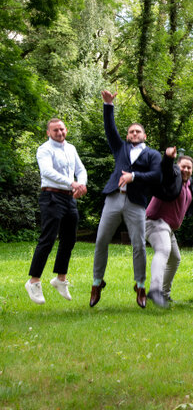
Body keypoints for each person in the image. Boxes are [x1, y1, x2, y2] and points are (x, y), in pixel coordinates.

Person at [90, 90, 161, 309]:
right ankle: (97, 283)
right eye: (131, 131)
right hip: (114, 198)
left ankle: (140, 286)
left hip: (136, 203)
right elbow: (110, 129)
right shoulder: (120, 147)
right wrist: (108, 106)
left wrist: (134, 176)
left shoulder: (153, 155)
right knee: (101, 240)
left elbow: (156, 176)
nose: (134, 133)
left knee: (139, 245)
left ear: (144, 136)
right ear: (128, 136)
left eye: (138, 131)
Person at [25, 119, 88, 304]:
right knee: (48, 238)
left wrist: (81, 184)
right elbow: (47, 172)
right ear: (48, 132)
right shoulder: (44, 149)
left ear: (66, 129)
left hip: (69, 198)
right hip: (51, 197)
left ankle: (60, 279)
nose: (59, 132)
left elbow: (81, 169)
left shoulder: (71, 148)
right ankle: (33, 281)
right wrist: (72, 183)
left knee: (69, 239)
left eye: (61, 129)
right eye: (55, 130)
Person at [145, 148, 193, 307]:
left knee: (175, 259)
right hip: (155, 222)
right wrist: (168, 158)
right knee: (164, 250)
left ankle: (164, 294)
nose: (186, 170)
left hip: (168, 228)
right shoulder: (171, 177)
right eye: (183, 166)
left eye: (189, 168)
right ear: (177, 167)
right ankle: (155, 290)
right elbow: (166, 168)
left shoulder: (187, 185)